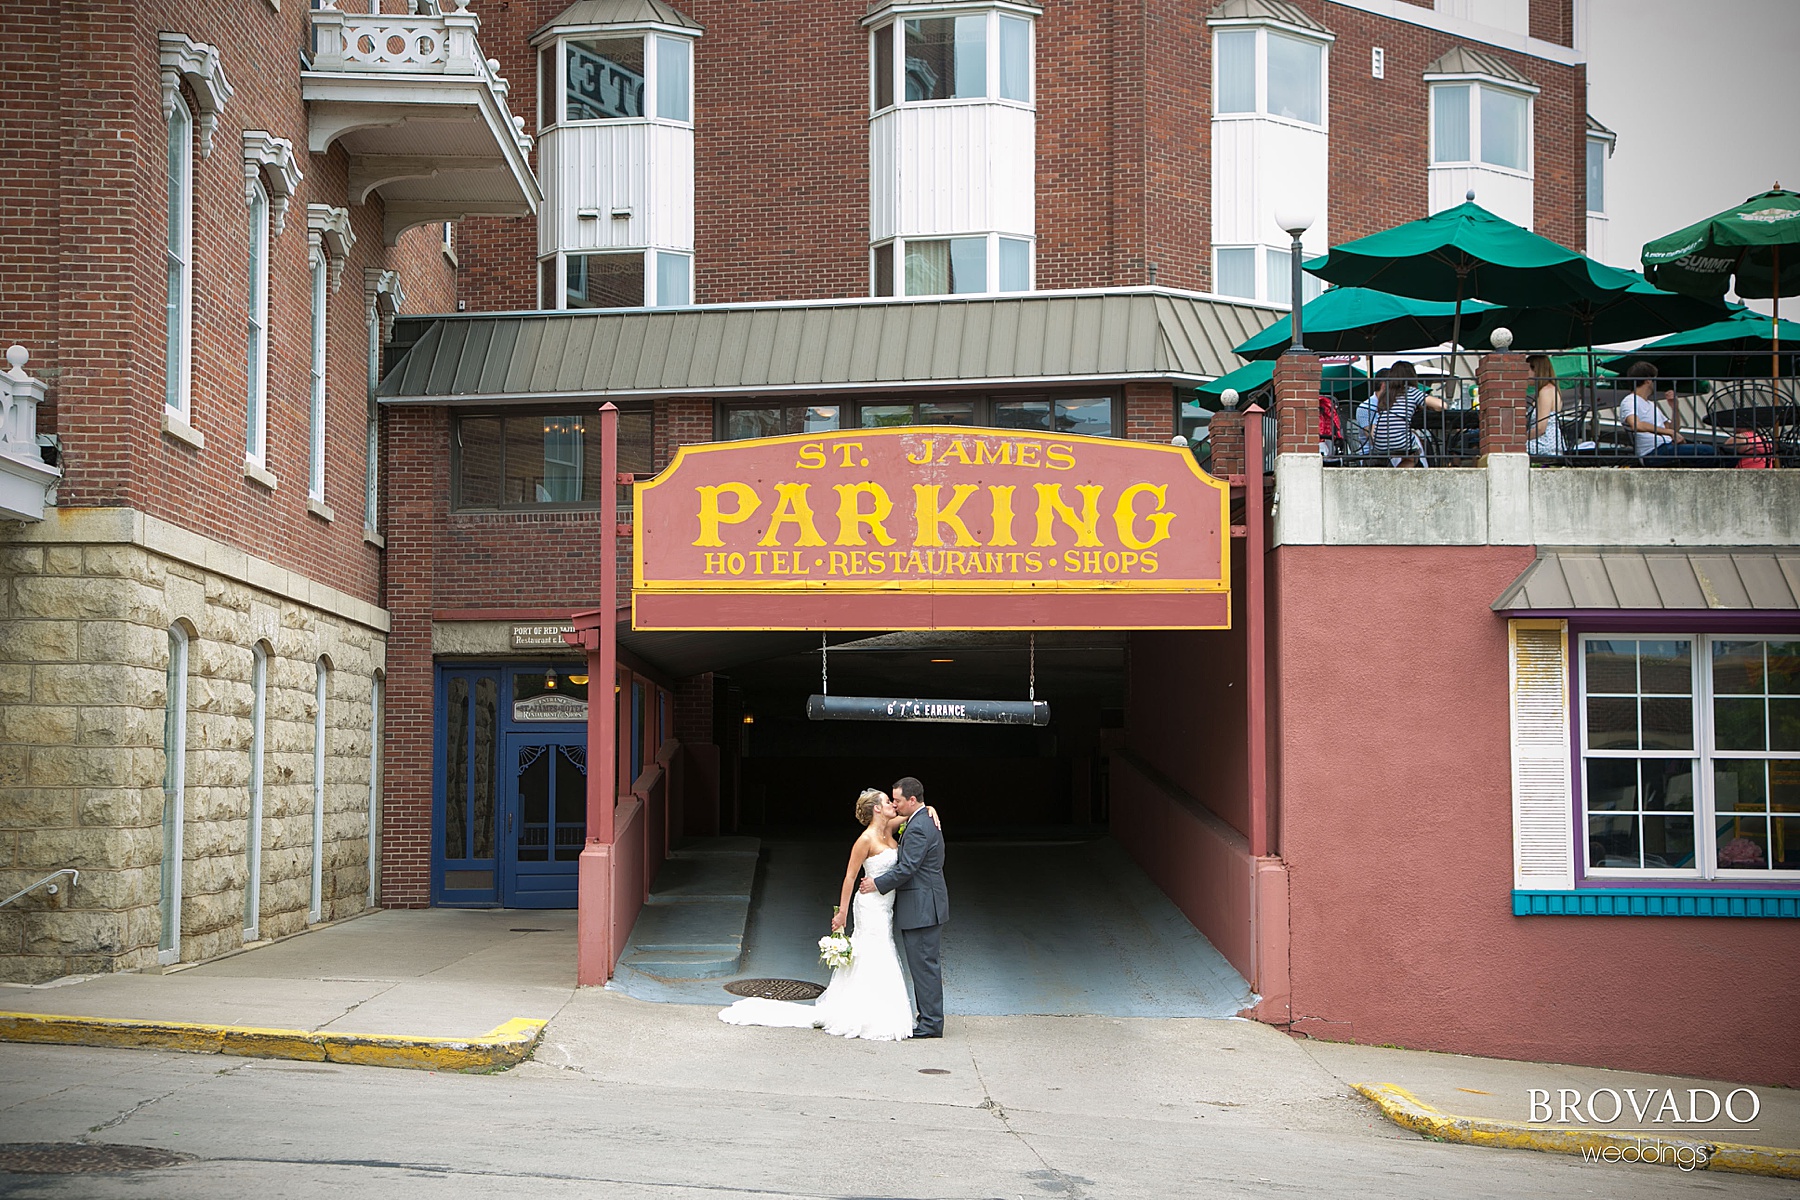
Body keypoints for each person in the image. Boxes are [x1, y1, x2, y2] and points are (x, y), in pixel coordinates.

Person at [718, 787, 935, 1040]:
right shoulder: (865, 840)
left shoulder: (889, 828)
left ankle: (880, 1010)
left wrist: (931, 808)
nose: (893, 805)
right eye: (888, 802)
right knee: (873, 951)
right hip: (869, 904)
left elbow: (916, 813)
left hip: (885, 906)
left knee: (883, 947)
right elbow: (850, 877)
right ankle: (869, 1015)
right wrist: (842, 913)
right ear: (876, 808)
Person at [859, 775, 949, 1039]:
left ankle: (931, 1024)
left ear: (912, 799)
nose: (894, 805)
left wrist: (877, 883)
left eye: (897, 800)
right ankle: (928, 1018)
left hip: (923, 907)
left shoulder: (920, 826)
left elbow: (908, 867)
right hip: (925, 904)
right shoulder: (919, 818)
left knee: (924, 966)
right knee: (924, 965)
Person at [1617, 361, 1720, 462]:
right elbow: (1636, 424)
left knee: (1713, 452)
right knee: (1708, 451)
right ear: (1648, 380)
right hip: (1652, 452)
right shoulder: (1630, 400)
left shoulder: (1650, 404)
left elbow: (1674, 428)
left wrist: (1675, 408)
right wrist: (1670, 432)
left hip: (1664, 448)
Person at [1361, 361, 1444, 467]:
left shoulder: (1387, 394)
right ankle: (1395, 477)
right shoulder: (1411, 391)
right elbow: (1441, 405)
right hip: (1399, 441)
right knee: (1414, 456)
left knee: (1406, 450)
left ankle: (1394, 476)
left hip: (1378, 441)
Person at [1526, 355, 1566, 457]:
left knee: (1509, 449)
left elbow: (1540, 429)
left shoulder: (1546, 392)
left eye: (1527, 370)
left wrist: (1518, 439)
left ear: (1536, 370)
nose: (1525, 374)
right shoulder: (1550, 389)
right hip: (1550, 442)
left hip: (1545, 443)